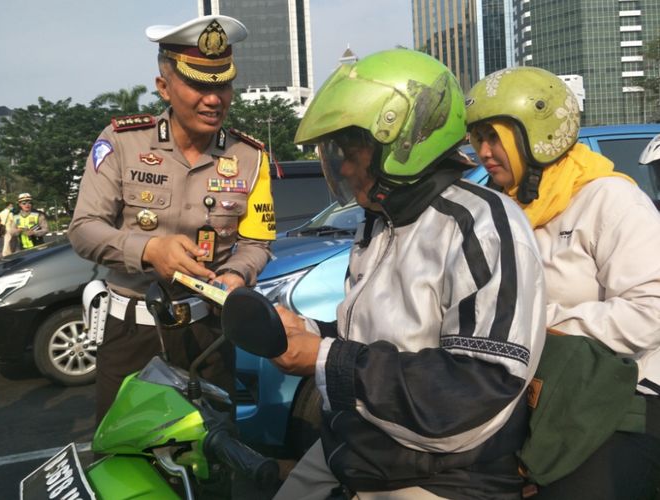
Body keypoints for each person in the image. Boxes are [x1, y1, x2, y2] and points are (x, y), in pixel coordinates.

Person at [271, 49, 546, 499]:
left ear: (402, 144)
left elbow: (477, 386)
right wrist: (310, 332)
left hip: (443, 469)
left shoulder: (481, 226)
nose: (341, 166)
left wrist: (324, 358)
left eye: (351, 149)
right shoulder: (382, 220)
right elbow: (378, 334)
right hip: (363, 445)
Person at [68, 14, 276, 424]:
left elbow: (257, 243)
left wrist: (235, 273)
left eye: (223, 84)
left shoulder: (250, 157)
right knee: (126, 458)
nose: (214, 99)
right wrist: (149, 249)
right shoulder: (122, 142)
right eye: (199, 84)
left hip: (208, 335)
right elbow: (84, 228)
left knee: (215, 459)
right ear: (164, 86)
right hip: (130, 331)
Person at [465, 66, 660, 499]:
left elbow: (650, 312)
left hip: (625, 396)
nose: (484, 151)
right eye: (478, 138)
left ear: (538, 135)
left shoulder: (608, 198)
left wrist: (537, 328)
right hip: (534, 397)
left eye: (495, 137)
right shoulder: (503, 211)